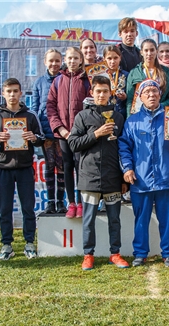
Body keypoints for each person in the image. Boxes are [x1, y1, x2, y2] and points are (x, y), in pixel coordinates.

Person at [119, 79, 169, 267]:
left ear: (160, 95)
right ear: (140, 97)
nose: (151, 95)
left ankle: (168, 253)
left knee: (167, 219)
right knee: (141, 220)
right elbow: (124, 147)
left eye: (155, 91)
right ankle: (140, 253)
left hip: (166, 178)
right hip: (141, 180)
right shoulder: (132, 121)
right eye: (147, 92)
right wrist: (127, 168)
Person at [68, 76, 129, 270]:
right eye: (98, 91)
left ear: (110, 92)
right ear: (92, 93)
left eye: (105, 91)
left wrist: (123, 176)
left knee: (115, 219)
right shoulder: (82, 116)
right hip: (89, 176)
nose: (101, 95)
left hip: (112, 176)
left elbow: (124, 148)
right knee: (88, 220)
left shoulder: (118, 117)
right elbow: (73, 144)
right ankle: (88, 255)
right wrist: (96, 134)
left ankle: (115, 253)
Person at [0, 78, 45, 261]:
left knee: (28, 207)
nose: (12, 95)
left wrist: (33, 137)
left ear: (21, 93)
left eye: (15, 91)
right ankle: (6, 245)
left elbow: (41, 138)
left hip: (25, 167)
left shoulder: (30, 116)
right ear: (3, 93)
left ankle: (29, 243)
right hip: (4, 168)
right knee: (4, 208)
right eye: (9, 91)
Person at [46, 47, 91, 218]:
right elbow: (50, 107)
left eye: (75, 58)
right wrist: (61, 129)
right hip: (64, 134)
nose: (72, 61)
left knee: (81, 168)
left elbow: (90, 107)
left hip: (81, 136)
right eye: (69, 58)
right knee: (67, 167)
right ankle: (71, 202)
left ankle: (81, 203)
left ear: (81, 60)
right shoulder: (57, 81)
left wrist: (81, 132)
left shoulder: (87, 81)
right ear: (65, 59)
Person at [31, 49, 66, 214]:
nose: (54, 64)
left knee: (62, 167)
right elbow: (35, 108)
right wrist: (37, 130)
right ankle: (50, 202)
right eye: (51, 61)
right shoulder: (39, 82)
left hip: (62, 132)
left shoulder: (65, 79)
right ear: (45, 62)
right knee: (49, 166)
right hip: (46, 132)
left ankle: (61, 201)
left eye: (57, 61)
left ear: (61, 62)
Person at [125, 38, 169, 117]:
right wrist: (129, 119)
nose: (149, 53)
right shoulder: (134, 73)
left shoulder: (166, 72)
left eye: (152, 50)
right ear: (141, 52)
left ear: (156, 51)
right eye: (146, 50)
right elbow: (130, 100)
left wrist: (157, 106)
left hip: (160, 114)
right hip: (140, 114)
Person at [103, 45, 129, 120]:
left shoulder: (126, 75)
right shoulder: (101, 75)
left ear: (120, 58)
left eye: (115, 58)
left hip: (121, 113)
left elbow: (131, 96)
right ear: (104, 59)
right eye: (109, 58)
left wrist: (125, 97)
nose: (112, 61)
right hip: (104, 112)